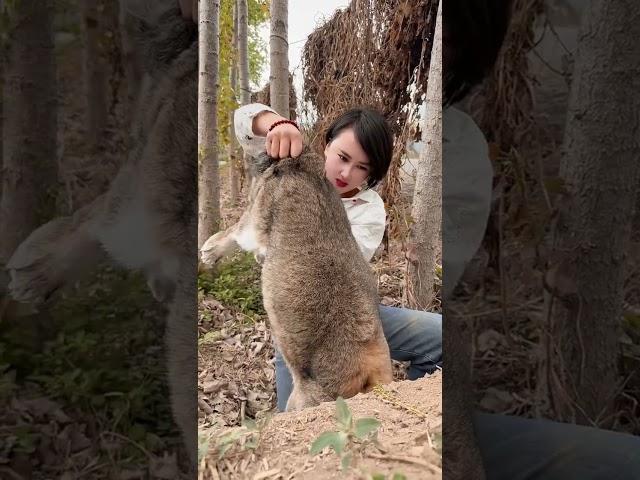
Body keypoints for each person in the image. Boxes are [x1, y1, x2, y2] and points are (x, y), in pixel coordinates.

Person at [232, 103, 442, 411]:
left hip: (351, 314)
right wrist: (277, 124)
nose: (346, 173)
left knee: (441, 335)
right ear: (326, 144)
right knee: (296, 418)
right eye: (343, 157)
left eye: (362, 167)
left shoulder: (368, 208)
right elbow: (242, 121)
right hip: (299, 321)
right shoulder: (294, 169)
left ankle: (407, 414)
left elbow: (338, 271)